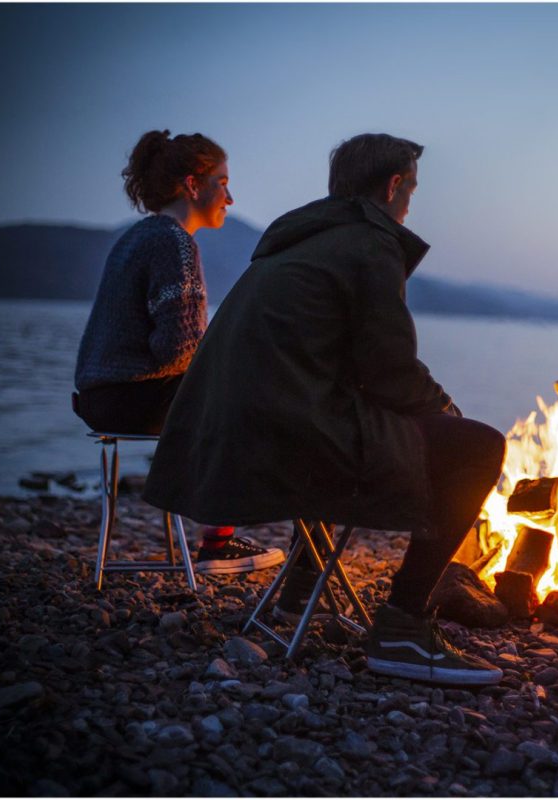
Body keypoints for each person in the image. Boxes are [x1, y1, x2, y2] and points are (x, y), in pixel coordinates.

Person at [143, 133, 506, 686]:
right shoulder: (369, 243)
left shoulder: (300, 239)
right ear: (392, 186)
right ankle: (405, 626)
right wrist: (445, 409)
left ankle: (296, 593)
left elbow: (345, 367)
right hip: (285, 443)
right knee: (478, 448)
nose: (410, 201)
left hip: (223, 441)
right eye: (410, 187)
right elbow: (389, 369)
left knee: (350, 417)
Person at [73, 129, 284, 575]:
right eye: (223, 182)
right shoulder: (175, 243)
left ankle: (215, 528)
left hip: (102, 397)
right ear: (193, 184)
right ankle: (219, 542)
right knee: (247, 399)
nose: (230, 196)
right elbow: (176, 351)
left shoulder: (138, 236)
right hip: (133, 396)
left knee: (232, 390)